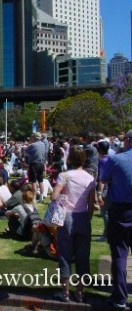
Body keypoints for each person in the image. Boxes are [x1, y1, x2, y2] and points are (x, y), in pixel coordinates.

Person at [51, 145, 95, 303]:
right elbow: (92, 203)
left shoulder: (64, 175)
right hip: (83, 216)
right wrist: (87, 218)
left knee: (65, 255)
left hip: (67, 217)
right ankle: (80, 292)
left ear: (69, 159)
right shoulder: (90, 178)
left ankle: (65, 293)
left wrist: (60, 195)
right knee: (83, 256)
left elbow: (54, 196)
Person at [100, 130, 132, 310]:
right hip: (122, 208)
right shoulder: (116, 158)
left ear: (127, 141)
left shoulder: (116, 159)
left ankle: (120, 297)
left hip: (122, 210)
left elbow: (104, 178)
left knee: (120, 254)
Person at [24, 132, 47, 203]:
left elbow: (26, 153)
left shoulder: (32, 145)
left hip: (34, 164)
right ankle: (41, 197)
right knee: (41, 181)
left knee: (33, 181)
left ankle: (33, 197)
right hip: (41, 164)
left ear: (34, 138)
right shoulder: (43, 144)